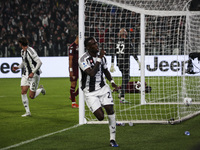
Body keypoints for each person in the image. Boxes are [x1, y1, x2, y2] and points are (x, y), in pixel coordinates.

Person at [78, 37, 119, 147]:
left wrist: (112, 82)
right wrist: (99, 58)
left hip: (103, 88)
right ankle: (95, 105)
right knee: (100, 117)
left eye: (96, 43)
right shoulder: (83, 59)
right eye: (94, 44)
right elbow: (91, 73)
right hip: (90, 92)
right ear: (88, 48)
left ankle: (112, 139)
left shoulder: (102, 57)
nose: (97, 45)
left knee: (110, 109)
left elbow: (105, 70)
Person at [13, 37, 46, 117]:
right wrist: (18, 67)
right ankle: (28, 112)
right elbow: (24, 62)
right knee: (23, 91)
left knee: (31, 96)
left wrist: (33, 72)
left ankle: (41, 89)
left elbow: (39, 62)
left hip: (34, 75)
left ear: (21, 44)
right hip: (26, 74)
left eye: (19, 43)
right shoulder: (22, 52)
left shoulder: (31, 51)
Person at [110, 28, 140, 103]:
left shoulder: (116, 41)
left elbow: (113, 52)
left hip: (119, 63)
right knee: (125, 78)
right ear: (125, 33)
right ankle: (122, 97)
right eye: (125, 31)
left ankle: (121, 93)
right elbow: (132, 52)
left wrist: (112, 63)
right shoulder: (127, 41)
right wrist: (138, 61)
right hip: (126, 62)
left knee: (126, 77)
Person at [68, 35, 79, 108]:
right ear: (77, 38)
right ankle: (73, 103)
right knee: (73, 84)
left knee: (83, 84)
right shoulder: (72, 46)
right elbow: (70, 59)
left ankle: (73, 95)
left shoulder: (81, 46)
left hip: (80, 67)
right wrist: (71, 70)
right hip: (74, 68)